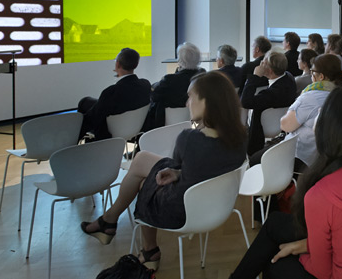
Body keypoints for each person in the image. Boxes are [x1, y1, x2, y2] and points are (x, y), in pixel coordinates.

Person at [82, 72, 247, 270]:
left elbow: (181, 163)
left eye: (190, 96)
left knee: (144, 181)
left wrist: (177, 172)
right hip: (219, 205)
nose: (187, 103)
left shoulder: (190, 139)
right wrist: (178, 173)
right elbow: (207, 169)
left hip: (183, 210)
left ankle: (125, 233)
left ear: (206, 101)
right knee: (144, 164)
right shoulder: (240, 136)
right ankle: (118, 228)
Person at [229, 88, 342, 279]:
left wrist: (299, 252)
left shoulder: (320, 195)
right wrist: (305, 245)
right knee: (274, 222)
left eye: (320, 112)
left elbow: (321, 272)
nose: (317, 114)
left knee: (274, 262)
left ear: (329, 129)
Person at [279, 54, 342, 169]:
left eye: (312, 71)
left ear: (320, 76)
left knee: (256, 159)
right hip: (328, 159)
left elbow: (285, 126)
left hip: (302, 158)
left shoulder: (310, 97)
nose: (311, 74)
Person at [77, 48, 151, 141]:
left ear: (118, 64)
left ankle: (74, 140)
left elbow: (92, 119)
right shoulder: (145, 85)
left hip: (112, 132)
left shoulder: (111, 92)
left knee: (84, 104)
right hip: (135, 128)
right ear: (136, 64)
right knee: (86, 102)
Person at [241, 51, 297, 155]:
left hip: (263, 131)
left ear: (269, 70)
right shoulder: (289, 77)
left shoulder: (270, 94)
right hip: (280, 126)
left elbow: (245, 102)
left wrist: (255, 76)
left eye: (263, 62)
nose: (261, 63)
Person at [142, 43, 204, 131]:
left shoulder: (169, 80)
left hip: (165, 124)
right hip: (191, 119)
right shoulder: (202, 75)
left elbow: (154, 96)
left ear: (180, 60)